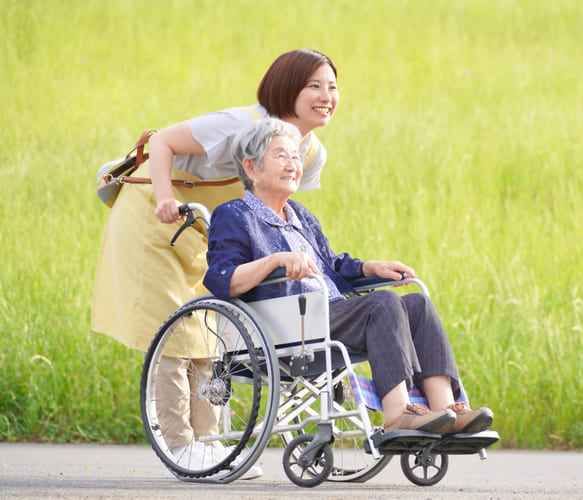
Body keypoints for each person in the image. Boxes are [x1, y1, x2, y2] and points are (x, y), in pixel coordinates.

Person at [91, 49, 339, 479]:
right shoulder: (241, 123)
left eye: (332, 87)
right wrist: (167, 199)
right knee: (177, 332)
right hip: (156, 212)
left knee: (212, 334)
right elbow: (164, 140)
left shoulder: (311, 151)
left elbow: (276, 207)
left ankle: (211, 445)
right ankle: (182, 446)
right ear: (287, 89)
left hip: (208, 229)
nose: (326, 96)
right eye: (314, 86)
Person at [204, 118, 494, 435]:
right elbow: (223, 278)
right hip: (288, 324)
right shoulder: (234, 215)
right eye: (281, 156)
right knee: (382, 302)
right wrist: (276, 261)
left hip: (331, 313)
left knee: (417, 305)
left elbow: (330, 264)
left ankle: (444, 411)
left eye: (296, 157)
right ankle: (397, 414)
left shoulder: (300, 215)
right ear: (251, 168)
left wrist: (369, 268)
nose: (293, 165)